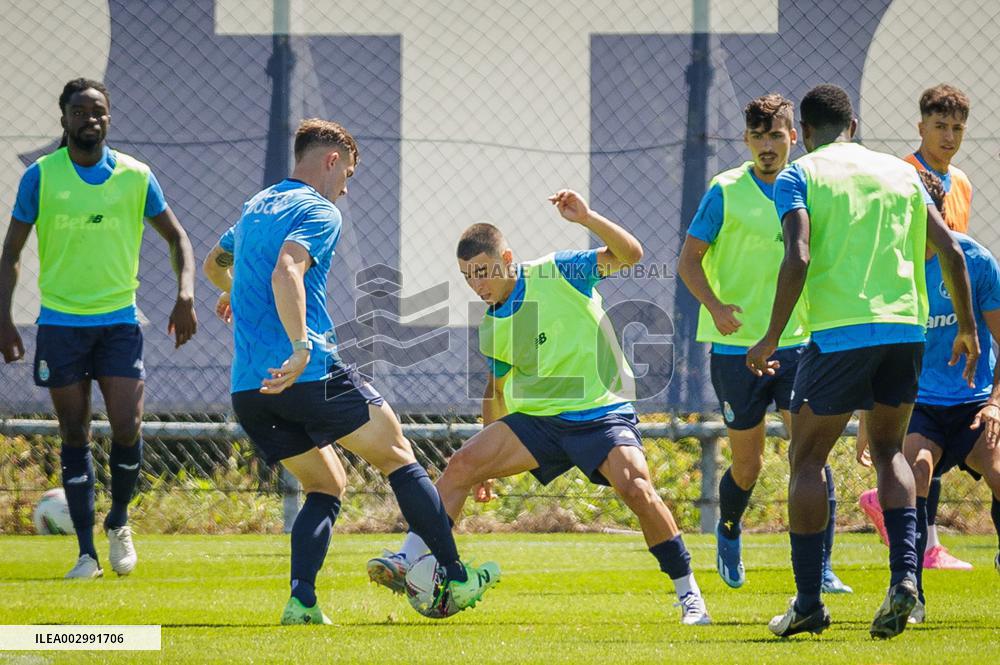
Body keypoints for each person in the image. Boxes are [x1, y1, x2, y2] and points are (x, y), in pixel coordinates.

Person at [367, 191, 712, 626]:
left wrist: (587, 218)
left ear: (507, 258)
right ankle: (408, 558)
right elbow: (495, 392)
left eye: (482, 272)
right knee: (461, 465)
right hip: (541, 422)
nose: (476, 284)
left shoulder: (557, 270)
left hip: (601, 413)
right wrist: (484, 469)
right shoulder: (492, 325)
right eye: (468, 277)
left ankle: (689, 595)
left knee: (637, 488)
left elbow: (631, 255)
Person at [202, 118, 498, 625]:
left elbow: (214, 264)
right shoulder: (318, 210)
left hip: (250, 390)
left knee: (327, 484)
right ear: (332, 160)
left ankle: (302, 603)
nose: (345, 189)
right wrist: (300, 347)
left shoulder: (256, 207)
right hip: (308, 373)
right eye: (348, 176)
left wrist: (236, 291)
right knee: (398, 455)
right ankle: (455, 573)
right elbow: (287, 269)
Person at [746, 84, 978, 639]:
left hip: (839, 335)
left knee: (806, 461)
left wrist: (770, 336)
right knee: (891, 452)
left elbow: (798, 254)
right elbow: (951, 249)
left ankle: (808, 602)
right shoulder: (902, 173)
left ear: (802, 133)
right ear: (853, 125)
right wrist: (968, 327)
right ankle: (905, 582)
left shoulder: (799, 176)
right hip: (906, 332)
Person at [0, 78, 198, 579]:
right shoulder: (41, 176)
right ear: (64, 118)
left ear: (109, 118)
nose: (91, 118)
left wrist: (185, 294)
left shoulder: (136, 175)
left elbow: (178, 238)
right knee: (74, 433)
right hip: (60, 325)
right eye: (81, 111)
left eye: (99, 111)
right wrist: (3, 319)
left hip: (119, 323)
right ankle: (86, 553)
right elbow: (11, 253)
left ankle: (119, 522)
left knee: (128, 425)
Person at [678, 93, 850, 593]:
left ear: (794, 136)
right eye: (758, 136)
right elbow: (688, 262)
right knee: (748, 464)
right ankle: (729, 531)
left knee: (809, 456)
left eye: (776, 135)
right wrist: (715, 306)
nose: (767, 146)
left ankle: (821, 566)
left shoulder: (810, 186)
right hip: (736, 350)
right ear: (746, 140)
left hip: (799, 344)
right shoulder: (725, 190)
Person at [857, 170, 1000, 625]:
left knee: (999, 472)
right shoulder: (885, 267)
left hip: (976, 402)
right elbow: (875, 349)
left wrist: (996, 403)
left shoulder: (974, 261)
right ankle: (909, 589)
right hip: (920, 404)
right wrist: (867, 419)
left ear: (936, 215)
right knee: (915, 472)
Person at [859, 84, 975, 570]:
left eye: (957, 128)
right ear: (920, 126)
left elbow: (957, 254)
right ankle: (916, 538)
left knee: (931, 436)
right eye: (939, 126)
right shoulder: (903, 175)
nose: (948, 136)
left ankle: (925, 542)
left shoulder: (961, 182)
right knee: (911, 434)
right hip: (906, 316)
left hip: (943, 323)